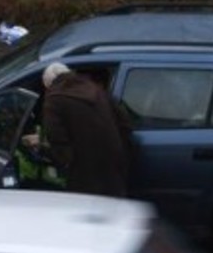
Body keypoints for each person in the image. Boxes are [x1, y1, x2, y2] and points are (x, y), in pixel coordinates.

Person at [22, 62, 133, 197]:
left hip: (85, 170)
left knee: (87, 204)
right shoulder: (95, 88)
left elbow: (58, 142)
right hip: (114, 162)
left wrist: (44, 148)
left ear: (48, 84)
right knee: (113, 202)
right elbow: (125, 122)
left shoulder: (54, 100)